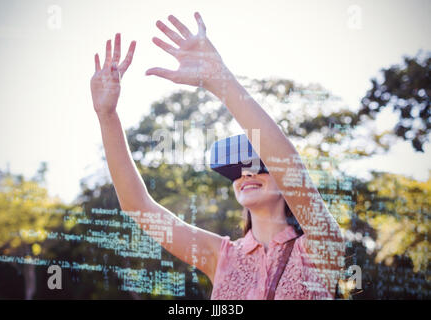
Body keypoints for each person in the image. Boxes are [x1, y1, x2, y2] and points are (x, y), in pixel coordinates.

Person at [90, 12, 345, 300]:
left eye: (259, 166)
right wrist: (107, 116)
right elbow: (138, 206)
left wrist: (219, 80)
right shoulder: (220, 256)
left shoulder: (321, 246)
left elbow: (288, 165)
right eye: (236, 170)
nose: (245, 175)